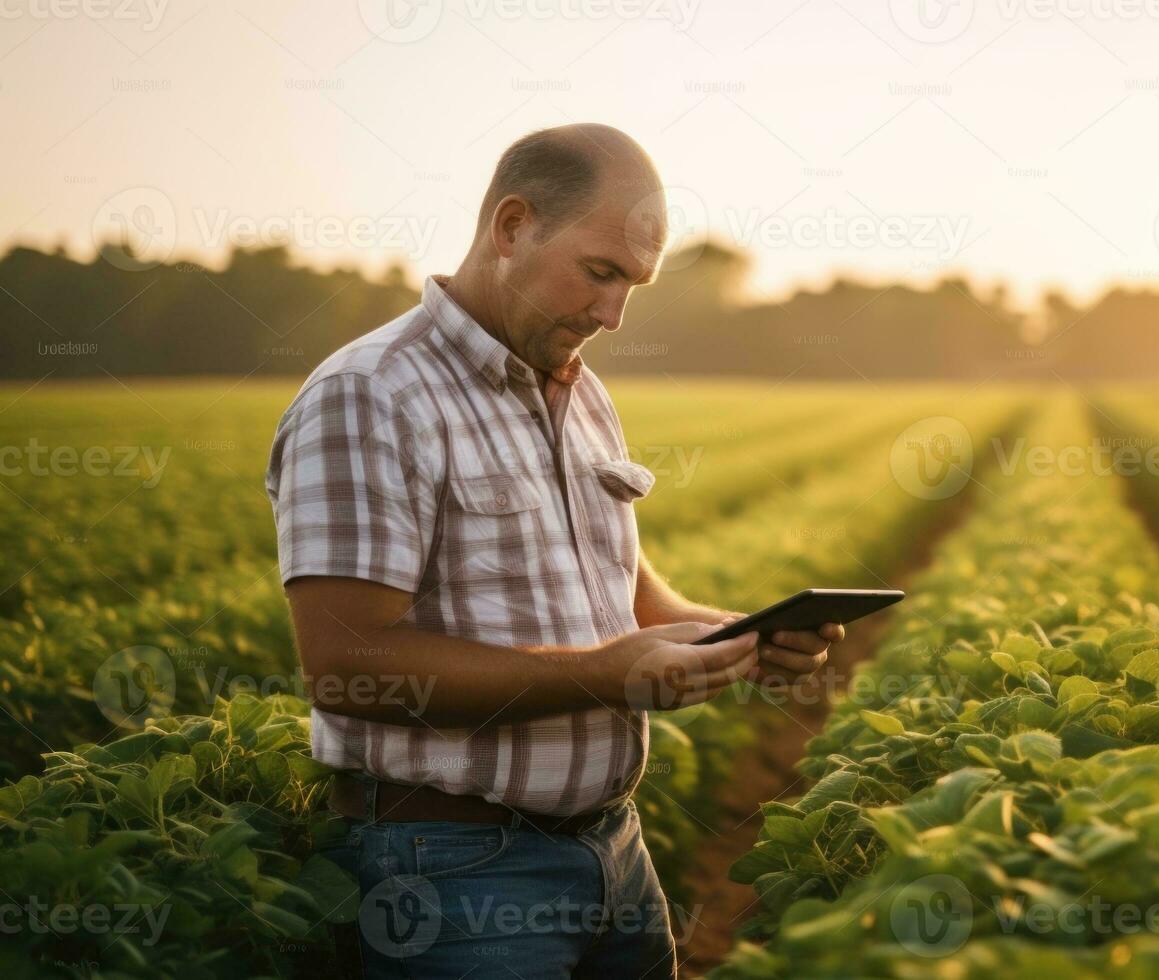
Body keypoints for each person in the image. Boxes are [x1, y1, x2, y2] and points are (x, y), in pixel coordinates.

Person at [264, 123, 842, 979]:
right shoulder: (370, 396)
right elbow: (350, 663)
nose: (612, 315)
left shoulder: (577, 387)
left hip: (614, 852)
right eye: (600, 272)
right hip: (453, 871)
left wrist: (746, 637)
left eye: (633, 286)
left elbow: (633, 601)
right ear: (511, 227)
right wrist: (605, 674)